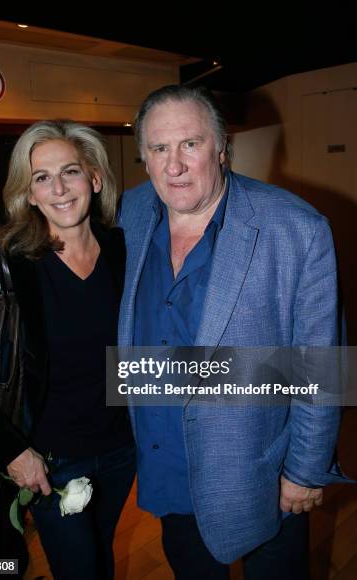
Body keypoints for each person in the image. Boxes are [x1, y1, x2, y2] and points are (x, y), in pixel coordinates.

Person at [117, 85, 350, 579]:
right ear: (143, 156)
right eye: (159, 149)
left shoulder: (296, 229)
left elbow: (320, 367)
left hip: (260, 476)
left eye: (190, 144)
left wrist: (305, 471)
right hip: (168, 468)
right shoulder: (130, 215)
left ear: (222, 148)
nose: (174, 165)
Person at [0, 120, 135, 580]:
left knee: (102, 553)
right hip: (50, 461)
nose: (59, 188)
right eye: (41, 177)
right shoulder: (6, 266)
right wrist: (12, 451)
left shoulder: (123, 249)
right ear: (29, 194)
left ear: (94, 178)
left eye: (70, 171)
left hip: (121, 449)